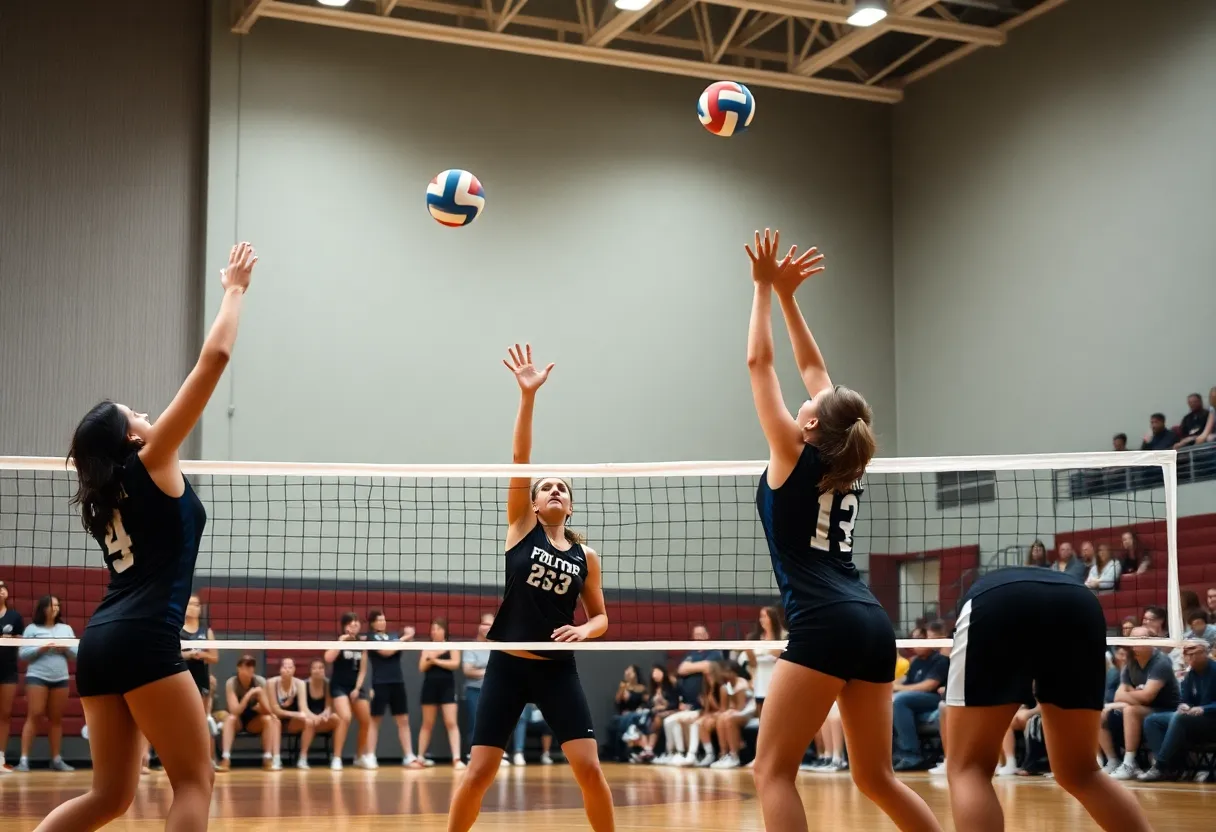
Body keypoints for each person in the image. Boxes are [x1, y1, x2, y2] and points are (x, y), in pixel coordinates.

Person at [34, 242, 256, 832]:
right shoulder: (154, 458)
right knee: (194, 778)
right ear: (131, 441)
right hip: (141, 637)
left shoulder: (106, 495)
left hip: (101, 640)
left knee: (109, 796)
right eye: (134, 413)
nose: (146, 414)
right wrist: (234, 288)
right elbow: (215, 358)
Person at [743, 230, 939, 832]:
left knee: (770, 772)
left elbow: (763, 363)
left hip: (825, 621)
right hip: (871, 622)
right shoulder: (847, 455)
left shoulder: (791, 453)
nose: (808, 398)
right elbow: (813, 370)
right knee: (876, 777)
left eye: (810, 406)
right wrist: (788, 296)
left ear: (808, 426)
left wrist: (761, 289)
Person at [447, 344, 614, 832]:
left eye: (563, 487)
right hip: (508, 665)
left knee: (590, 769)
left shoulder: (588, 557)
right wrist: (527, 396)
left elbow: (601, 615)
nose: (555, 490)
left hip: (558, 671)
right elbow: (521, 457)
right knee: (479, 772)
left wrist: (587, 632)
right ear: (535, 505)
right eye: (546, 488)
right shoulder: (521, 528)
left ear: (571, 506)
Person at [943, 566, 1152, 832]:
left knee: (968, 768)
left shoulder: (986, 592)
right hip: (1081, 602)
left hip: (998, 602)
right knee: (1082, 773)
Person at [16, 595, 77, 772]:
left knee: (56, 719)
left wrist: (66, 648)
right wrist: (40, 649)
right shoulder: (32, 629)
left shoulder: (66, 629)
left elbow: (77, 653)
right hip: (37, 676)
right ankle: (24, 759)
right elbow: (23, 654)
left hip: (60, 677)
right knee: (34, 715)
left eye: (58, 605)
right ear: (43, 608)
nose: (55, 608)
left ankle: (56, 759)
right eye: (52, 605)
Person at [323, 612, 372, 770]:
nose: (354, 626)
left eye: (356, 623)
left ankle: (359, 757)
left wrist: (357, 688)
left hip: (355, 687)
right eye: (350, 623)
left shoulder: (362, 644)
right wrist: (340, 642)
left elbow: (363, 670)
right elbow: (328, 658)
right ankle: (336, 758)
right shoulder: (340, 641)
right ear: (344, 626)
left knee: (366, 720)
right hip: (339, 686)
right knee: (345, 717)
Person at [417, 617, 463, 768]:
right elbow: (422, 667)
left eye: (437, 628)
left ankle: (456, 758)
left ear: (444, 631)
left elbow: (455, 664)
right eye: (432, 629)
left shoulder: (451, 646)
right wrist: (430, 659)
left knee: (451, 722)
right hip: (430, 687)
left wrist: (435, 660)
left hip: (447, 687)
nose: (434, 631)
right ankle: (420, 758)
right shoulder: (427, 647)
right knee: (427, 724)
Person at [0, 579, 25, 773]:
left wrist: (14, 639)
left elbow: (21, 641)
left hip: (8, 669)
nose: (1, 591)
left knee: (5, 714)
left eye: (3, 588)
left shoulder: (15, 617)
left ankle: (0, 758)